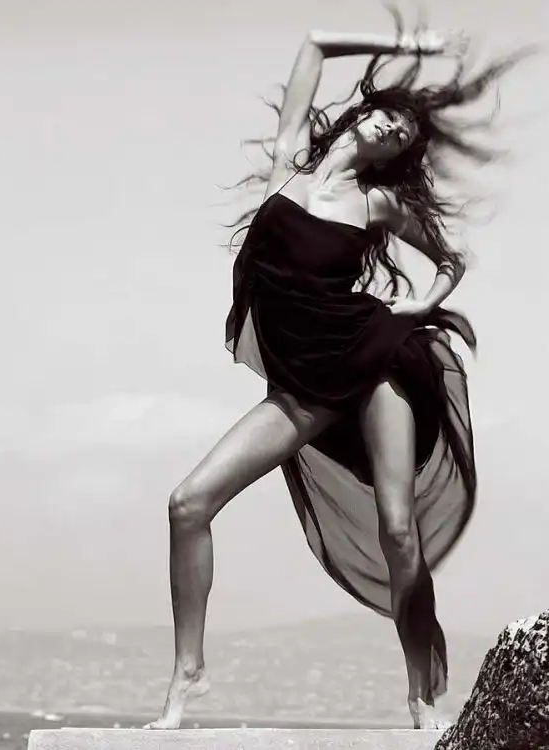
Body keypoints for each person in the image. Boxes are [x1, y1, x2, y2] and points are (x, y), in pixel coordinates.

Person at [147, 20, 523, 731]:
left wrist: (421, 304)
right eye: (391, 118)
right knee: (188, 504)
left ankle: (422, 697)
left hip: (375, 360)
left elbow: (451, 260)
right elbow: (315, 43)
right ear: (365, 111)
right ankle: (187, 672)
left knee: (397, 529)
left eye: (404, 136)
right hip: (302, 386)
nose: (393, 130)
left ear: (397, 156)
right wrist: (410, 49)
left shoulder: (379, 205)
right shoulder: (288, 165)